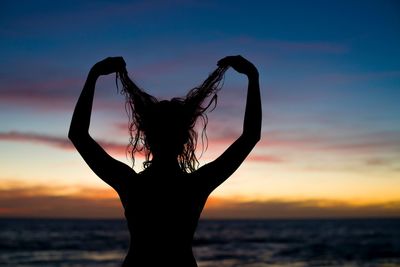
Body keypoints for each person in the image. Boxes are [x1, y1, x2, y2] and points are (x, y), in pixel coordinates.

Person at [68, 55, 261, 266]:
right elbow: (250, 136)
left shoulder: (131, 184)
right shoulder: (196, 185)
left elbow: (78, 135)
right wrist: (253, 76)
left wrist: (94, 74)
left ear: (147, 138)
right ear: (184, 140)